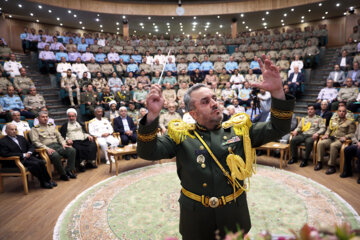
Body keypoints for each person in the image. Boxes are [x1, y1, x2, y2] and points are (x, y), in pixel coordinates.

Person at [136, 56, 295, 239]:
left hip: (233, 215)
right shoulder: (181, 136)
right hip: (196, 218)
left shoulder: (240, 130)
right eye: (205, 101)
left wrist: (277, 92)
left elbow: (279, 127)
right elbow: (147, 152)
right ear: (193, 114)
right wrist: (152, 116)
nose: (214, 103)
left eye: (214, 98)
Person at [0, 123, 56, 189]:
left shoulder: (21, 137)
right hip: (15, 161)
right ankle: (43, 182)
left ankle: (48, 180)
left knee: (41, 162)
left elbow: (31, 146)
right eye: (12, 129)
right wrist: (22, 155)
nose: (14, 131)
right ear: (6, 131)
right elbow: (5, 154)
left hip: (27, 158)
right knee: (35, 164)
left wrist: (29, 152)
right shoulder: (2, 141)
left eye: (15, 129)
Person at [30, 111, 77, 181]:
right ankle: (63, 174)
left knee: (72, 150)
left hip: (58, 145)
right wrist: (46, 148)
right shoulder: (34, 129)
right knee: (55, 155)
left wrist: (63, 143)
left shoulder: (51, 126)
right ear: (38, 118)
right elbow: (35, 142)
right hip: (47, 148)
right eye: (43, 117)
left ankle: (68, 171)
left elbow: (59, 136)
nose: (45, 118)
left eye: (46, 117)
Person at [316, 105, 356, 174]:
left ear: (346, 113)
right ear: (337, 112)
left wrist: (346, 137)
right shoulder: (334, 119)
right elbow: (329, 129)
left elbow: (352, 133)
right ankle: (320, 162)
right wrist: (326, 134)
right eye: (340, 111)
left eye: (343, 111)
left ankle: (332, 166)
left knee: (333, 145)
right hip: (331, 138)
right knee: (320, 143)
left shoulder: (350, 122)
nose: (341, 113)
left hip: (341, 140)